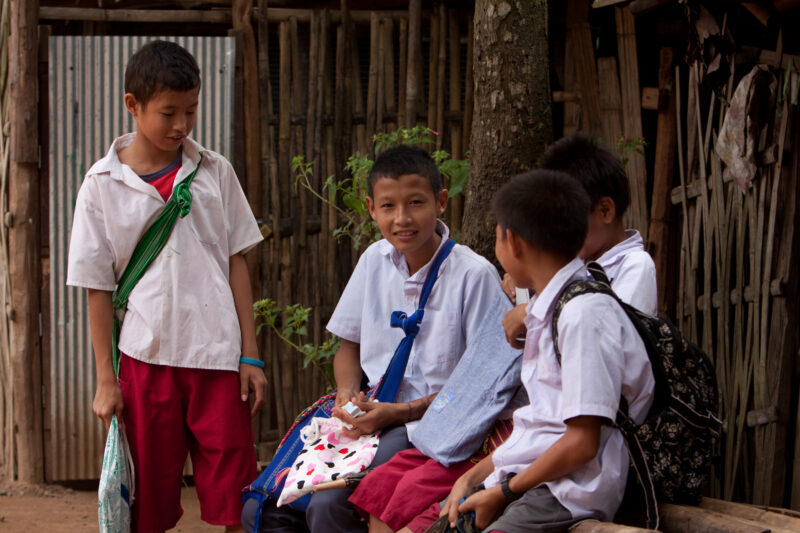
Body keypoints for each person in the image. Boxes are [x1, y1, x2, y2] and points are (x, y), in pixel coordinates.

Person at [244, 145, 514, 533]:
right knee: (267, 506)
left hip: (427, 425)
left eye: (416, 203)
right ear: (371, 208)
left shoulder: (473, 275)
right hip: (371, 413)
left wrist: (399, 412)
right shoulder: (374, 259)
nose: (402, 219)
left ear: (441, 201)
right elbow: (348, 345)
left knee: (327, 506)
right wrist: (347, 396)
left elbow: (483, 388)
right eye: (388, 206)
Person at [67, 40, 267, 533]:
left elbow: (236, 260)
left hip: (219, 357)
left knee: (234, 494)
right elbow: (96, 285)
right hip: (145, 356)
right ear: (132, 105)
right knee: (147, 500)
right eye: (168, 112)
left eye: (191, 111)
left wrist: (251, 354)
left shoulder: (214, 171)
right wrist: (105, 380)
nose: (181, 125)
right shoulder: (101, 183)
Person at [440, 169, 655, 532]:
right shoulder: (551, 308)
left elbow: (582, 444)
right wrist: (475, 476)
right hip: (533, 475)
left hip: (571, 487)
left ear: (514, 242)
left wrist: (503, 492)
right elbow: (542, 423)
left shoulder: (583, 313)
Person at [502, 133, 657, 350]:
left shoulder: (635, 265)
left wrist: (529, 313)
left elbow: (611, 341)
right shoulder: (575, 262)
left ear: (605, 210)